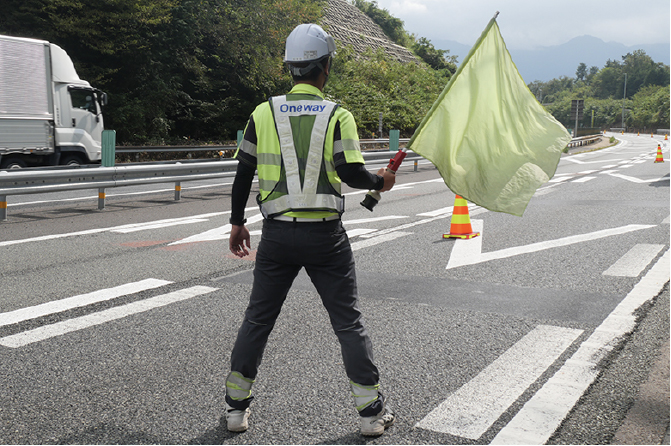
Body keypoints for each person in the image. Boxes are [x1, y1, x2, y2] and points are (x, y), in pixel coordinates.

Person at [225, 23, 397, 437]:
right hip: (325, 239)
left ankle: (235, 410)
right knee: (347, 323)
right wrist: (380, 182)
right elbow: (351, 173)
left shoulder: (262, 113)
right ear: (325, 68)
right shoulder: (339, 115)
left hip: (277, 236)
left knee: (258, 320)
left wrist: (236, 222)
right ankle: (371, 414)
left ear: (290, 68)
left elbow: (242, 175)